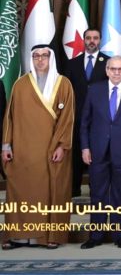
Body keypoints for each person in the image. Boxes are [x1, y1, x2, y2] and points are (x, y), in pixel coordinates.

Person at [1, 45, 75, 250]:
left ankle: (49, 237)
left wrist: (62, 146)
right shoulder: (20, 84)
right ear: (31, 59)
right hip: (23, 151)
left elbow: (67, 119)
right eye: (36, 56)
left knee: (50, 193)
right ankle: (17, 237)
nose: (40, 60)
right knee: (20, 192)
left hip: (50, 151)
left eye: (44, 56)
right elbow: (9, 118)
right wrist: (6, 145)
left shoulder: (63, 84)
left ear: (51, 58)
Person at [79, 56, 121, 249]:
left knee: (120, 195)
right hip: (97, 152)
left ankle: (119, 234)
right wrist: (85, 147)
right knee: (97, 195)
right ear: (107, 70)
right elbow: (84, 123)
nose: (117, 72)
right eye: (113, 69)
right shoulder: (94, 90)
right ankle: (96, 236)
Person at [64, 28, 109, 197]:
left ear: (100, 40)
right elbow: (66, 90)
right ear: (84, 40)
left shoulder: (109, 62)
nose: (92, 41)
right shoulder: (72, 63)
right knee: (76, 153)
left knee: (98, 154)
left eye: (95, 38)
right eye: (88, 38)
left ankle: (95, 188)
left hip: (100, 117)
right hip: (76, 116)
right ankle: (74, 188)